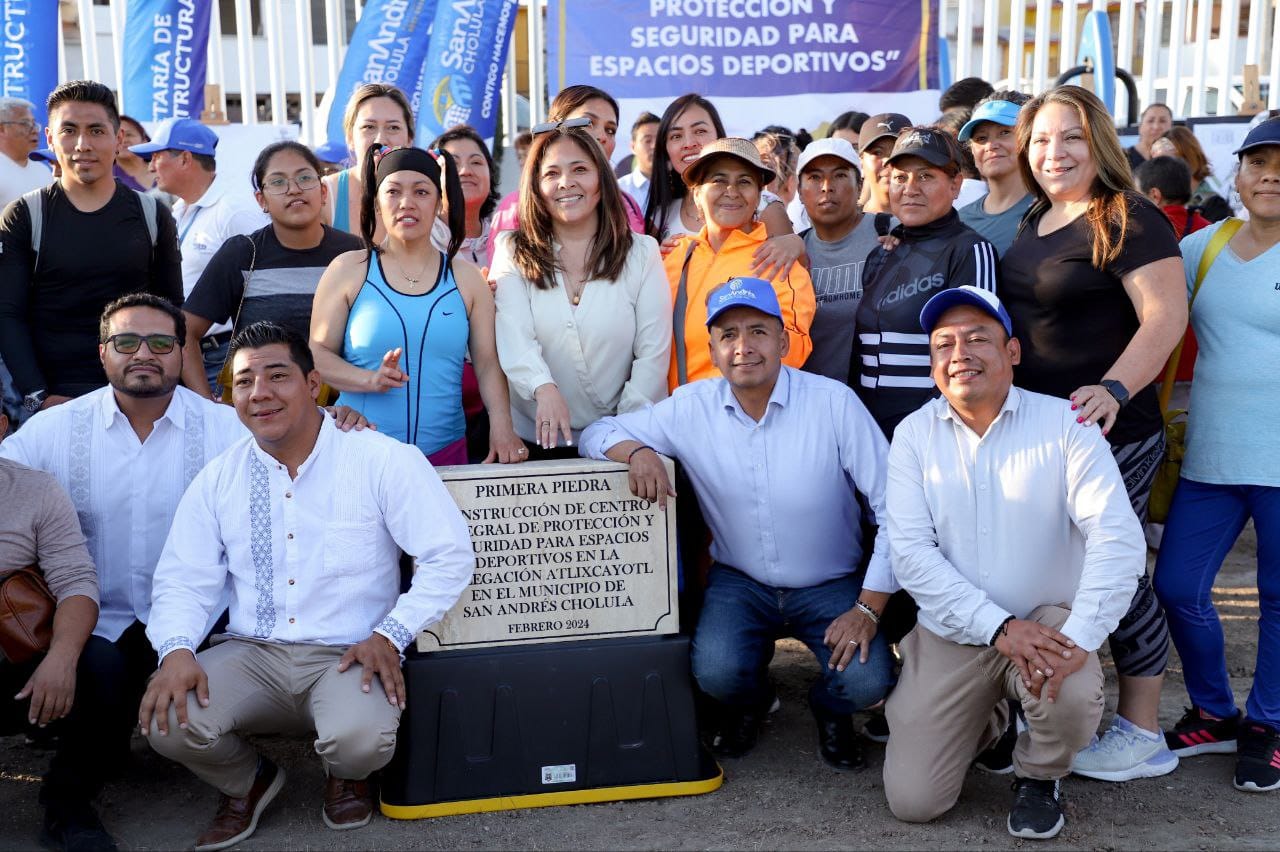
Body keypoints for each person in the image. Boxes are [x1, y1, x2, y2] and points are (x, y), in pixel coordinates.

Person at [140, 322, 474, 847]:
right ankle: (248, 781)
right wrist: (176, 650)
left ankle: (347, 774)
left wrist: (391, 633)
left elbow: (448, 556)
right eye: (245, 382)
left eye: (278, 376)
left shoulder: (381, 459)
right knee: (167, 721)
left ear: (314, 383)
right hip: (254, 652)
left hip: (350, 651)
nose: (261, 394)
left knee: (359, 741)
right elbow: (184, 577)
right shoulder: (219, 477)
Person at [580, 277, 896, 769]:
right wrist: (638, 451)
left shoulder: (833, 403)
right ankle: (752, 701)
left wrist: (869, 609)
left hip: (831, 582)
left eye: (757, 331)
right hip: (742, 582)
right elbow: (598, 432)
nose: (743, 347)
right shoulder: (691, 406)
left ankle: (829, 708)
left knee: (867, 682)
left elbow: (894, 508)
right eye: (728, 335)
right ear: (713, 348)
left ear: (783, 341)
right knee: (716, 673)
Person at [883, 284, 1144, 839]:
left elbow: (1115, 537)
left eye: (978, 338)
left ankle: (1039, 774)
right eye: (945, 344)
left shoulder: (1065, 425)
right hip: (955, 633)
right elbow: (911, 554)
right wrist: (998, 628)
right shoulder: (912, 436)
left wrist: (1079, 636)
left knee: (1071, 693)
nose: (961, 355)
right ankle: (993, 719)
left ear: (1013, 352)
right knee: (914, 801)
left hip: (1048, 621)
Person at [0, 294, 241, 850]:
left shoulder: (227, 431)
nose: (145, 355)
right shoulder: (50, 432)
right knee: (101, 672)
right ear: (103, 353)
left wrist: (343, 417)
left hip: (195, 627)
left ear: (183, 352)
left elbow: (304, 448)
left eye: (161, 343)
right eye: (127, 342)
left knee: (167, 727)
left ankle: (235, 777)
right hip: (89, 625)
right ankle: (71, 800)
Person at [1000, 85, 1188, 782]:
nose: (1055, 152)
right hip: (1044, 433)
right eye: (1042, 139)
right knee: (1057, 570)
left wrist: (1114, 389)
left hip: (1112, 430)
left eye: (1071, 137)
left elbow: (1165, 317)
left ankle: (1142, 731)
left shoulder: (1129, 216)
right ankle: (1048, 705)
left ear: (1099, 143)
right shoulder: (1036, 219)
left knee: (1117, 571)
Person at [1154, 116, 1280, 793]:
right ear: (1236, 175)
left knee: (1278, 598)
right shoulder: (1201, 248)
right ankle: (1213, 710)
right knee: (1176, 587)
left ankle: (1268, 724)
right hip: (1211, 458)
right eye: (1258, 161)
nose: (1271, 174)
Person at [310, 145, 525, 464]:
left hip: (446, 455)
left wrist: (502, 427)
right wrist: (369, 379)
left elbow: (488, 363)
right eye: (393, 191)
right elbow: (317, 354)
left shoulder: (467, 280)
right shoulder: (347, 269)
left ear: (439, 202)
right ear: (377, 204)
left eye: (421, 192)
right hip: (358, 451)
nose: (406, 203)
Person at [0, 80, 182, 414]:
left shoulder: (152, 214)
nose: (83, 144)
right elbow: (8, 314)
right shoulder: (24, 215)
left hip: (140, 398)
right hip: (52, 404)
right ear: (51, 138)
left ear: (118, 140)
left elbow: (171, 310)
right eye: (69, 130)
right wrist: (38, 394)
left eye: (97, 131)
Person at [490, 124, 670, 458]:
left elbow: (653, 355)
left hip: (623, 441)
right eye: (552, 173)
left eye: (580, 170)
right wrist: (542, 387)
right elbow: (513, 335)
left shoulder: (642, 253)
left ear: (602, 179)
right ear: (535, 186)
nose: (565, 183)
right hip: (533, 442)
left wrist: (621, 431)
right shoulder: (511, 249)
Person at [180, 141, 363, 399]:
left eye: (305, 178)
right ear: (261, 200)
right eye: (278, 182)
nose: (294, 189)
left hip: (337, 417)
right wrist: (206, 405)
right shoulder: (243, 253)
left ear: (323, 192)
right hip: (260, 410)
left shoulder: (353, 252)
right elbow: (185, 331)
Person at [852, 126, 1000, 437]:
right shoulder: (880, 254)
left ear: (956, 184)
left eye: (925, 176)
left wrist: (930, 434)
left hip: (934, 437)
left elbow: (980, 356)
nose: (910, 188)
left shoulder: (971, 250)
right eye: (900, 177)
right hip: (868, 435)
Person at [0, 414, 105, 849]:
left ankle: (68, 803)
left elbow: (76, 581)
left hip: (12, 662)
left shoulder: (36, 489)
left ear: (1, 426)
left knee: (101, 664)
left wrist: (61, 659)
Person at [664, 137, 815, 391]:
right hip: (674, 418)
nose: (731, 191)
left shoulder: (778, 260)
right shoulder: (672, 256)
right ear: (697, 194)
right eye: (718, 180)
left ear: (758, 197)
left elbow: (793, 352)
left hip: (745, 416)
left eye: (744, 182)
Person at [130, 118, 268, 391]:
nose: (150, 166)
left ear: (184, 158)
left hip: (224, 356)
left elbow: (266, 287)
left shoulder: (234, 210)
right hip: (189, 354)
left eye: (156, 156)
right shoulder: (180, 210)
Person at [643, 93, 804, 280]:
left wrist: (795, 243)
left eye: (700, 131)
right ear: (666, 149)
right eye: (676, 136)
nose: (689, 143)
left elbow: (794, 278)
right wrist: (654, 261)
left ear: (720, 137)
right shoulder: (660, 216)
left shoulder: (766, 206)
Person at [488, 86, 647, 261]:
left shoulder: (627, 203)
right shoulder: (516, 207)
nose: (602, 136)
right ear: (556, 127)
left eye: (610, 130)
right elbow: (499, 280)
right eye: (588, 122)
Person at [795, 138, 878, 383]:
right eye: (814, 177)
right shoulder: (793, 253)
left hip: (883, 407)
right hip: (815, 406)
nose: (826, 187)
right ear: (799, 191)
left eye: (840, 175)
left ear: (860, 184)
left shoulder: (891, 235)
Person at [322, 82, 414, 240]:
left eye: (393, 128)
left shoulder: (429, 194)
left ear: (409, 139)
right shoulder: (324, 195)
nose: (380, 139)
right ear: (350, 137)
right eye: (369, 127)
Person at [958, 91, 1034, 253]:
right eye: (981, 138)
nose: (991, 145)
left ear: (1030, 138)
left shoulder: (1049, 209)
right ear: (972, 151)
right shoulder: (961, 219)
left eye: (1004, 133)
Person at [430, 124, 501, 268]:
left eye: (476, 162)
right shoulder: (419, 241)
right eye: (453, 163)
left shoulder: (506, 243)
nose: (465, 171)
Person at [1151, 125, 1233, 221]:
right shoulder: (1154, 204)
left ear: (1190, 158)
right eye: (1159, 163)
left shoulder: (1214, 205)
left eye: (1170, 162)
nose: (1162, 170)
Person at [1136, 156, 1211, 239]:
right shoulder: (1209, 230)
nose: (1134, 200)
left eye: (1138, 194)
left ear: (1155, 195)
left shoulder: (1142, 228)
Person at [856, 112, 911, 218]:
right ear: (861, 163)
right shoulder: (845, 225)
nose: (887, 161)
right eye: (877, 153)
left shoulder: (934, 222)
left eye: (896, 150)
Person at [0, 97, 49, 205]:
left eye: (34, 123)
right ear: (2, 129)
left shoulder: (43, 171)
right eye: (25, 123)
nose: (35, 130)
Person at [618, 111, 660, 213]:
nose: (655, 146)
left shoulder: (680, 188)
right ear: (633, 147)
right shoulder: (619, 190)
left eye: (660, 140)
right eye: (647, 140)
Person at [1126, 102, 1173, 171]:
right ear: (1140, 127)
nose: (1156, 127)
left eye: (1162, 121)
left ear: (1171, 127)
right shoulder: (1124, 158)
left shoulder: (1179, 159)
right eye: (1150, 121)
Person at [114, 115, 155, 192]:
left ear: (144, 141)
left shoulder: (162, 170)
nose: (124, 140)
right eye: (117, 136)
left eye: (129, 135)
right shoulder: (105, 178)